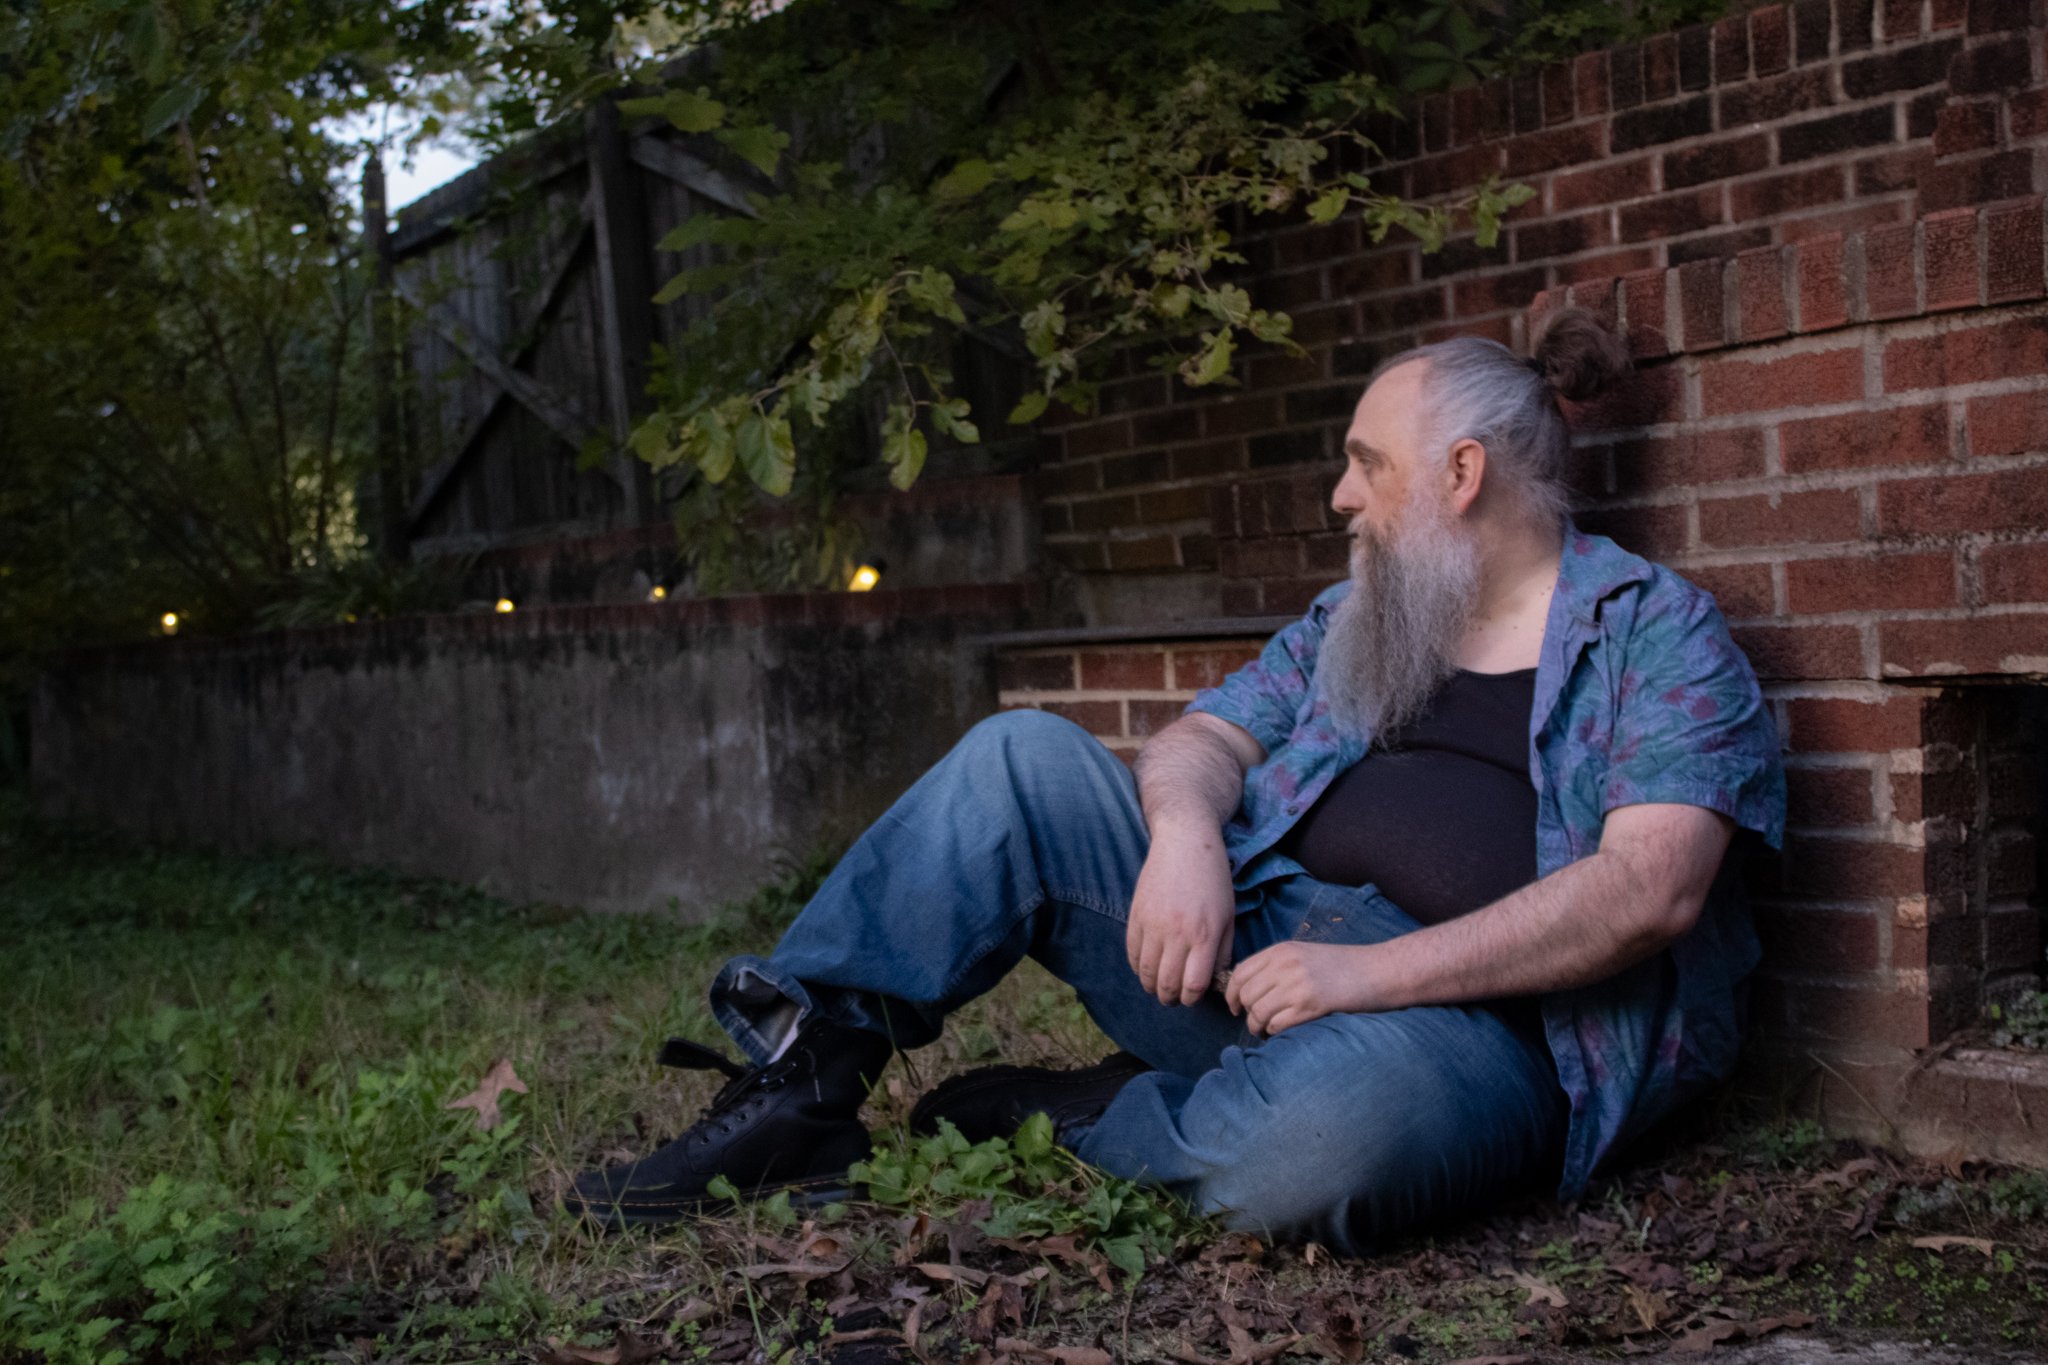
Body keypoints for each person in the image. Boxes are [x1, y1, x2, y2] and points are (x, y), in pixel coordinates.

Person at [564, 309, 1786, 1253]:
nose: (1340, 496)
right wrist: (1186, 837)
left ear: (1461, 474)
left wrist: (1363, 975)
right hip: (1254, 950)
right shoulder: (1363, 615)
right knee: (1020, 760)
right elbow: (1202, 739)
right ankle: (803, 1086)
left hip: (1463, 1031)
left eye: (1366, 465)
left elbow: (1647, 893)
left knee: (1318, 1147)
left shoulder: (1655, 637)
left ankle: (1088, 1113)